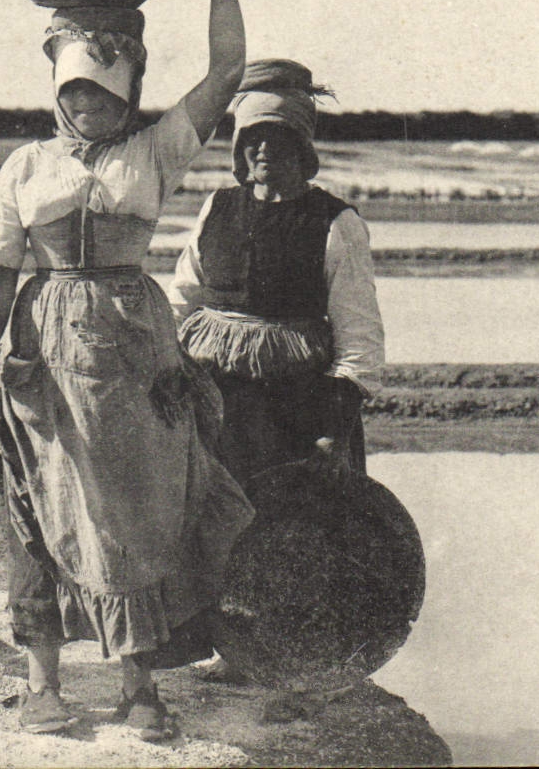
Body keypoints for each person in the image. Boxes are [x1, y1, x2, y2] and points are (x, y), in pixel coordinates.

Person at [0, 0, 254, 742]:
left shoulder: (156, 150)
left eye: (100, 92)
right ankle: (42, 683)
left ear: (126, 91)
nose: (85, 105)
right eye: (74, 91)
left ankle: (139, 686)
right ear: (56, 89)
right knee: (40, 498)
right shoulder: (25, 165)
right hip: (44, 349)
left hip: (132, 344)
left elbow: (227, 69)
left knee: (137, 508)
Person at [170, 59, 386, 693]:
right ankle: (233, 652)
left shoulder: (335, 222)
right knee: (219, 525)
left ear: (303, 148)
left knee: (297, 534)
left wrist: (332, 428)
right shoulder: (217, 207)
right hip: (220, 403)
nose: (265, 151)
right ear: (239, 150)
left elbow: (359, 334)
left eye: (279, 140)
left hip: (296, 410)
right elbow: (184, 296)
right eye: (252, 141)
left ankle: (301, 667)